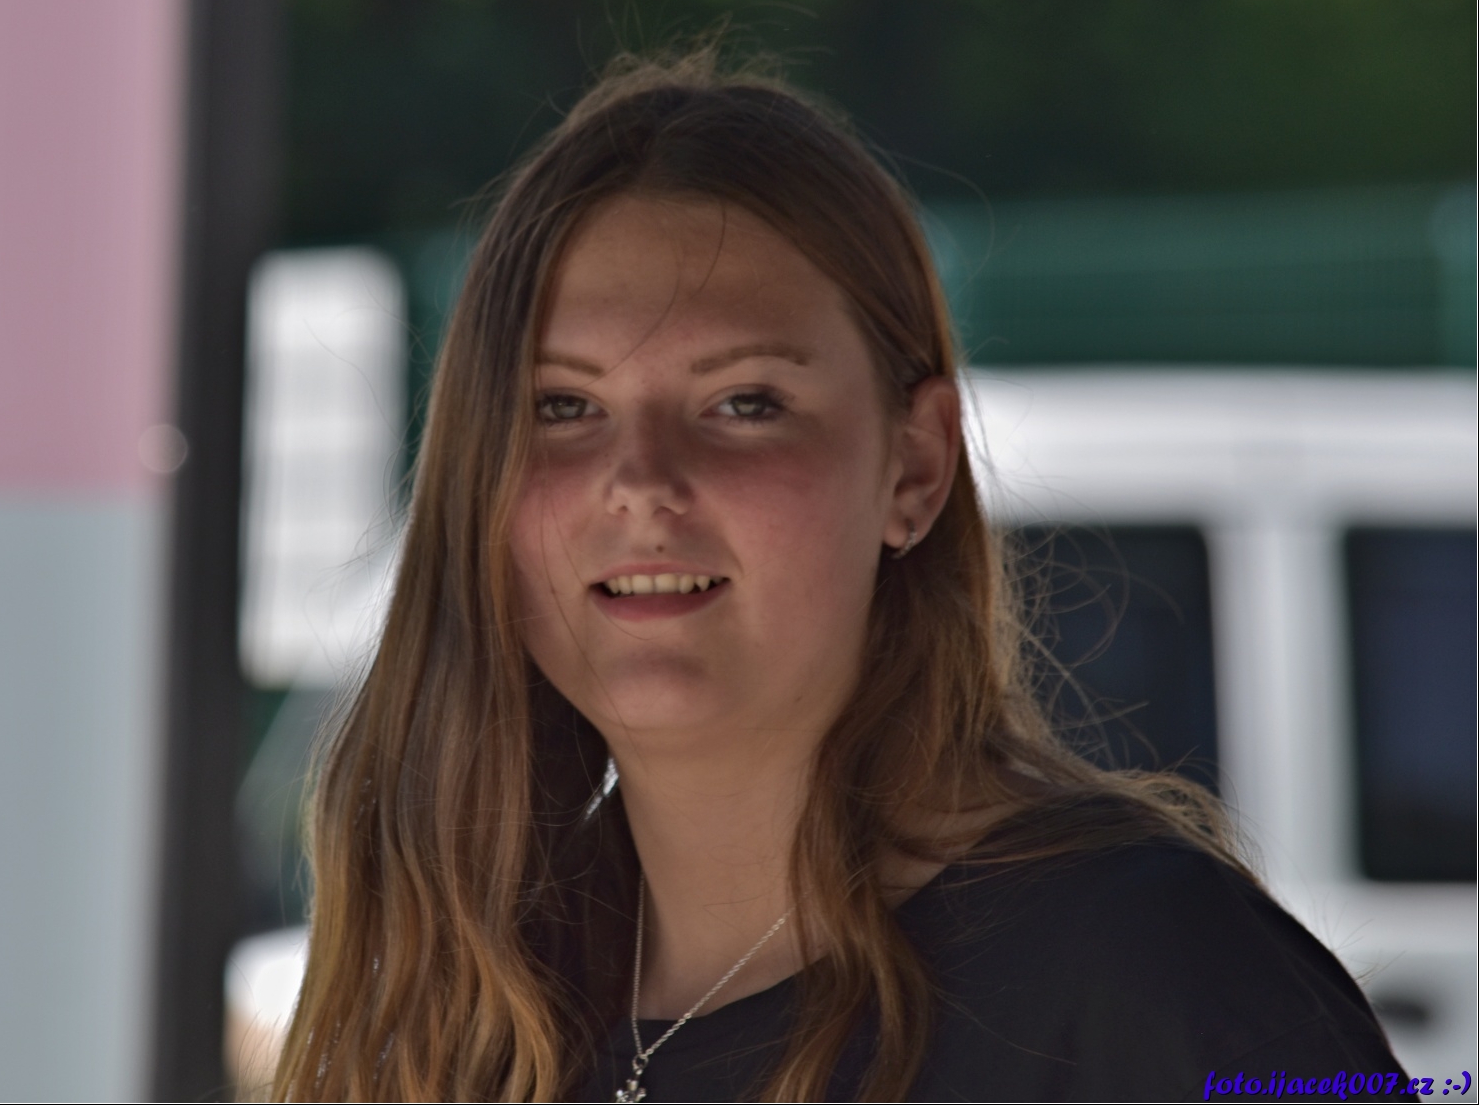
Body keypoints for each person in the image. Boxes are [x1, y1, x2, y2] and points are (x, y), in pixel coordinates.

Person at [272, 53, 1409, 1102]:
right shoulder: (457, 1005)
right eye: (563, 406)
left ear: (914, 470)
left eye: (744, 403)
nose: (641, 483)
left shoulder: (1158, 974)